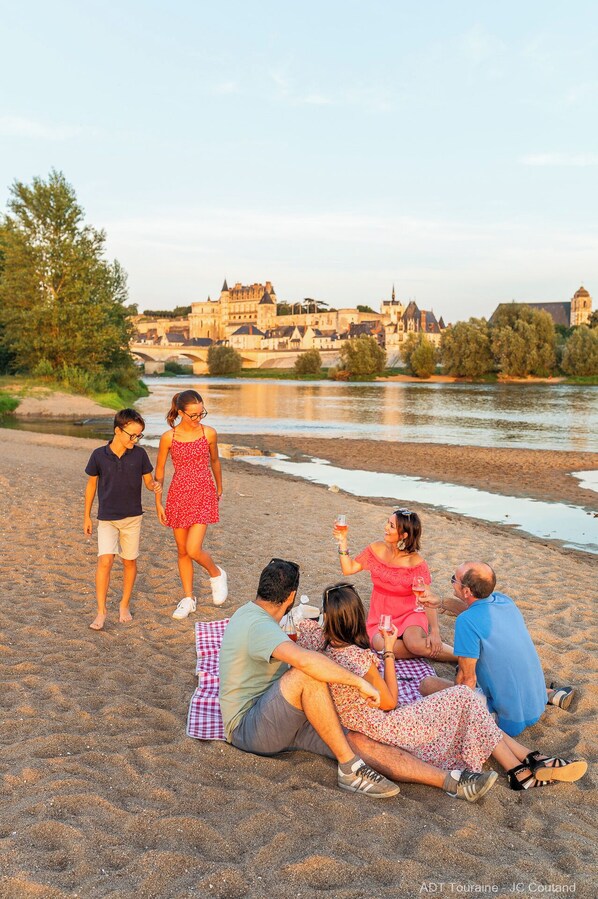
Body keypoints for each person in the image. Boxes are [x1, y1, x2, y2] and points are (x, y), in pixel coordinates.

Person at [218, 559, 505, 801]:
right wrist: (359, 683)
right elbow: (306, 662)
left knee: (359, 738)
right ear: (292, 595)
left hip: (287, 716)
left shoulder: (252, 614)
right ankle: (349, 769)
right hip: (251, 726)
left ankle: (451, 781)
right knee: (306, 674)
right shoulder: (258, 626)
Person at [304, 583, 586, 791]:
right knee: (464, 697)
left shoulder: (323, 645)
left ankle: (523, 765)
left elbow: (302, 629)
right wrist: (388, 651)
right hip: (386, 726)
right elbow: (390, 702)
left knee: (466, 702)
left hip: (366, 722)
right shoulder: (359, 658)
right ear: (356, 617)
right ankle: (525, 763)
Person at [418, 562, 576, 736]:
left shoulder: (466, 621)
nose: (452, 582)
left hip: (509, 719)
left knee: (428, 684)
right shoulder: (503, 600)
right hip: (536, 703)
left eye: (453, 579)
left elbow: (466, 682)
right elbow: (473, 610)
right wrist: (441, 602)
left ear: (466, 591)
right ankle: (551, 694)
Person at [333, 509, 456, 663]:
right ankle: (424, 651)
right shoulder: (376, 549)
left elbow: (427, 600)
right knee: (381, 644)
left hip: (410, 613)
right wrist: (342, 540)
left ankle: (463, 657)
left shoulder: (416, 562)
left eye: (391, 526)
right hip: (381, 616)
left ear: (404, 535)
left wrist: (435, 632)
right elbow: (348, 569)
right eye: (388, 523)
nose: (386, 527)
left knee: (414, 643)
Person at [84, 408, 161, 630]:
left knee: (129, 561)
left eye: (139, 435)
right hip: (107, 518)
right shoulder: (99, 455)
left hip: (133, 518)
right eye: (132, 435)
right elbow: (91, 486)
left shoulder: (140, 455)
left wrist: (154, 485)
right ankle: (101, 611)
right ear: (118, 431)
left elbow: (148, 481)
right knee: (105, 561)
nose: (135, 440)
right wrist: (86, 516)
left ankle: (124, 604)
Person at [155, 390, 227, 619]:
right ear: (180, 412)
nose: (198, 418)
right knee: (182, 551)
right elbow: (159, 471)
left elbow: (215, 461)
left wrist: (219, 486)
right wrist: (158, 503)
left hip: (203, 492)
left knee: (193, 549)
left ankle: (216, 574)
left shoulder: (209, 433)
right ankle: (188, 599)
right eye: (193, 415)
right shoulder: (168, 437)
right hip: (178, 495)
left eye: (201, 413)